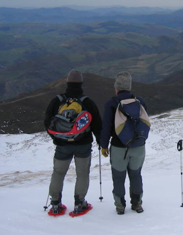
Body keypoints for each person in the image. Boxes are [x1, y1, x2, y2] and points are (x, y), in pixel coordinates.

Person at [44, 69, 102, 215]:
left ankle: (55, 204)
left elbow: (47, 122)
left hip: (62, 145)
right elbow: (97, 125)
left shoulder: (57, 101)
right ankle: (80, 203)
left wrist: (57, 138)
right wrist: (101, 142)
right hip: (83, 144)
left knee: (58, 172)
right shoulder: (87, 102)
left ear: (67, 82)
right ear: (81, 83)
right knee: (82, 173)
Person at [100, 71, 148, 215]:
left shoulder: (111, 103)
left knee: (119, 177)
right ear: (129, 87)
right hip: (138, 146)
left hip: (119, 147)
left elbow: (106, 127)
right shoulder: (139, 101)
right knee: (136, 175)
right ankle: (137, 203)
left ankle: (120, 206)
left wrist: (103, 145)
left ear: (117, 88)